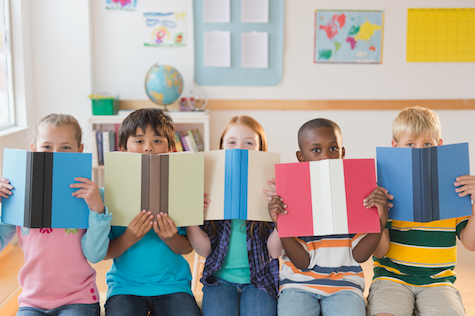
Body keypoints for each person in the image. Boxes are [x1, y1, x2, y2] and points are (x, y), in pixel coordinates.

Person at [267, 118, 389, 316]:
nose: (326, 157)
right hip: (298, 285)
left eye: (333, 149)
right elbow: (302, 263)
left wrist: (381, 220)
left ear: (342, 152)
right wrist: (281, 223)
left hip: (345, 286)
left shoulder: (356, 191)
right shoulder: (291, 194)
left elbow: (360, 255)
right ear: (301, 156)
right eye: (316, 150)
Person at [367, 106, 475, 316]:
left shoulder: (454, 188)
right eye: (410, 145)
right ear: (395, 146)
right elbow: (380, 251)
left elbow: (471, 244)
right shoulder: (384, 189)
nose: (419, 151)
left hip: (439, 282)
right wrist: (380, 215)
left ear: (439, 146)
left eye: (427, 144)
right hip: (392, 279)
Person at [0, 113, 110, 316]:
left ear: (80, 150)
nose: (55, 154)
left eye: (65, 147)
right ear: (34, 149)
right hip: (32, 301)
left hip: (79, 299)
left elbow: (95, 255)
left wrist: (97, 210)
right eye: (47, 147)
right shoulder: (20, 193)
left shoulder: (92, 196)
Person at [96, 108, 201, 316]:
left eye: (157, 140)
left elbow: (187, 249)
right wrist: (129, 237)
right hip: (125, 288)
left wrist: (170, 237)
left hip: (173, 286)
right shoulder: (109, 195)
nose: (148, 148)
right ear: (123, 149)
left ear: (170, 149)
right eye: (139, 140)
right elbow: (105, 252)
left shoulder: (180, 191)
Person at [187, 116, 281, 316]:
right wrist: (191, 215)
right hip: (219, 280)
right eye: (232, 142)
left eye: (249, 143)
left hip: (260, 281)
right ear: (221, 147)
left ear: (260, 150)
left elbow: (275, 252)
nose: (240, 148)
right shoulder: (209, 187)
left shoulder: (272, 190)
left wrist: (281, 219)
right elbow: (204, 251)